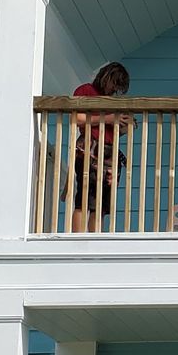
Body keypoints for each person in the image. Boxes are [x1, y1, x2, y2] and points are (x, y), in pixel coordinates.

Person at [69, 62, 131, 231]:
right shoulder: (86, 91)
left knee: (102, 204)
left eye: (118, 87)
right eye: (114, 83)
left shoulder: (113, 101)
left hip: (110, 151)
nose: (114, 89)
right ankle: (77, 241)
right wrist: (107, 119)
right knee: (85, 199)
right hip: (90, 147)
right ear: (106, 76)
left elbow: (119, 131)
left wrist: (125, 124)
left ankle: (95, 240)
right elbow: (77, 119)